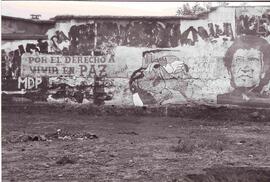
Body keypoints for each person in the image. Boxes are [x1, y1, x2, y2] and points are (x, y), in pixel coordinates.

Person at [217, 35, 270, 107]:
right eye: (239, 60)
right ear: (230, 69)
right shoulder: (222, 101)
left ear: (264, 69)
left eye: (252, 60)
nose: (244, 68)